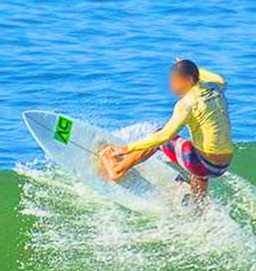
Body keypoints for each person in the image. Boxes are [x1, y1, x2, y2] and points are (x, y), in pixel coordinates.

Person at [99, 59, 232, 199]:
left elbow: (164, 136)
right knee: (196, 148)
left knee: (159, 137)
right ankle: (198, 204)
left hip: (204, 165)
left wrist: (125, 149)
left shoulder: (188, 103)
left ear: (187, 79)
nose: (171, 85)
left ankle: (117, 169)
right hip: (222, 166)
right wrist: (195, 70)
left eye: (175, 80)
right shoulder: (216, 88)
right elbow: (220, 79)